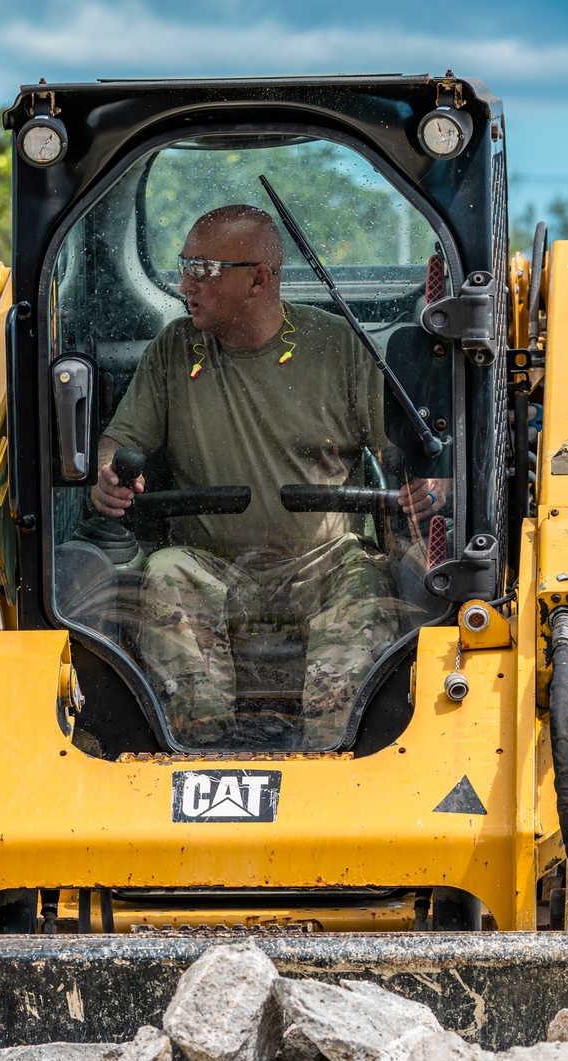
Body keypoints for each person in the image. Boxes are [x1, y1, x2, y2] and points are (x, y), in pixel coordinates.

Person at [90, 203, 442, 749]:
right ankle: (199, 754)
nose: (185, 284)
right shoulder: (174, 350)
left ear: (259, 278)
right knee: (165, 570)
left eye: (202, 270)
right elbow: (121, 441)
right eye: (184, 266)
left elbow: (406, 453)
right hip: (210, 566)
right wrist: (109, 470)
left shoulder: (338, 347)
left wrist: (428, 485)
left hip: (324, 565)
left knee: (368, 584)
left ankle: (333, 756)